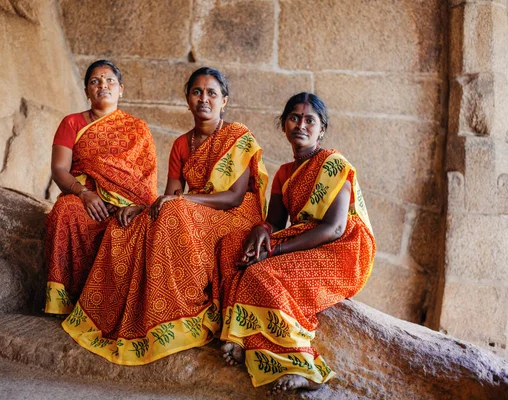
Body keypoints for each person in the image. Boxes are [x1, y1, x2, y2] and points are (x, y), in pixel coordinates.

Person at [61, 67, 269, 365]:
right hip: (190, 209)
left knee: (173, 212)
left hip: (233, 213)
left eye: (212, 93)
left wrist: (179, 200)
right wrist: (141, 209)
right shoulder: (182, 144)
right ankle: (118, 316)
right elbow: (168, 196)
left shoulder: (238, 136)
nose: (204, 99)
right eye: (197, 92)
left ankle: (179, 313)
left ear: (224, 100)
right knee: (127, 226)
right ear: (187, 100)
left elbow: (233, 196)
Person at [219, 92, 375, 395]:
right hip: (303, 240)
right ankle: (242, 338)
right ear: (284, 125)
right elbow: (276, 222)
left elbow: (334, 227)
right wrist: (262, 232)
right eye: (294, 118)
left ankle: (307, 369)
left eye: (309, 120)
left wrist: (274, 251)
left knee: (261, 273)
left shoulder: (333, 164)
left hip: (343, 249)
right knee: (231, 248)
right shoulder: (284, 173)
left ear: (321, 129)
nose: (301, 125)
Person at [44, 60, 158, 315]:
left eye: (110, 81)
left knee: (143, 226)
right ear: (86, 91)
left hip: (128, 203)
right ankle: (67, 300)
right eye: (95, 81)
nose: (102, 85)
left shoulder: (139, 129)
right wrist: (84, 194)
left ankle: (113, 308)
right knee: (65, 211)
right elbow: (60, 169)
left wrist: (138, 206)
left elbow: (148, 178)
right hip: (86, 195)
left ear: (121, 89)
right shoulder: (72, 123)